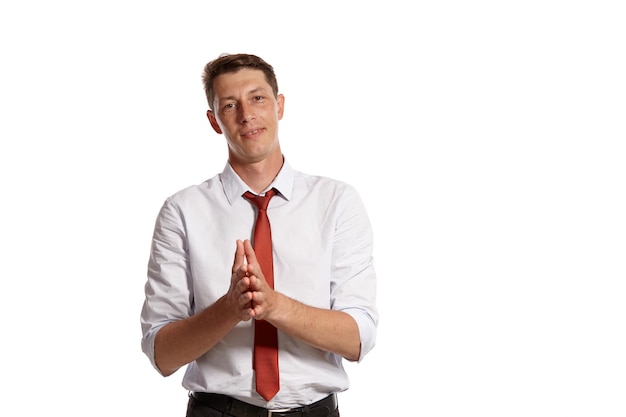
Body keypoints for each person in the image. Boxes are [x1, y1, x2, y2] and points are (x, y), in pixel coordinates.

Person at [140, 53, 378, 417]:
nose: (246, 115)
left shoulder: (337, 202)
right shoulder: (182, 211)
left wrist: (274, 306)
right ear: (214, 121)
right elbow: (162, 354)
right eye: (230, 104)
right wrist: (230, 308)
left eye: (257, 98)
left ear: (279, 105)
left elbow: (358, 339)